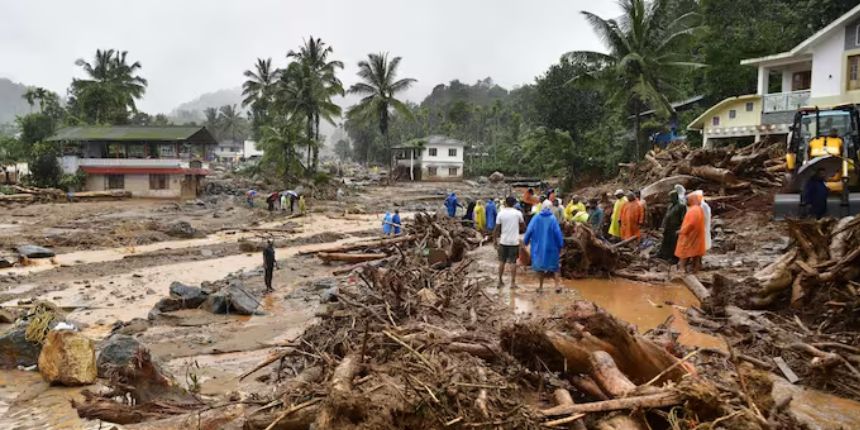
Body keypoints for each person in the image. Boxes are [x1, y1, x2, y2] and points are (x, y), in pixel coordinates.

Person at [524, 200, 565, 292]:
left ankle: (541, 287)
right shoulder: (552, 218)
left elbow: (529, 230)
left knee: (540, 267)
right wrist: (561, 245)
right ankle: (557, 286)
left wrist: (526, 242)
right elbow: (557, 233)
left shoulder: (536, 217)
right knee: (555, 266)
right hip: (552, 247)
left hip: (538, 247)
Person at [494, 196, 525, 288]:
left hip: (503, 241)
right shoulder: (518, 213)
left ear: (505, 203)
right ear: (514, 203)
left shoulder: (501, 213)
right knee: (513, 262)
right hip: (514, 241)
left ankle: (500, 281)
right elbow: (523, 226)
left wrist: (494, 240)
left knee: (501, 262)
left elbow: (496, 229)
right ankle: (512, 283)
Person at [676, 193, 706, 273]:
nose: (686, 201)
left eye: (688, 200)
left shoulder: (693, 210)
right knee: (696, 252)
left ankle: (682, 268)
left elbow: (691, 223)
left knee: (684, 252)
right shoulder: (699, 209)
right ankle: (696, 268)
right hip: (697, 235)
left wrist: (682, 231)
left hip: (690, 235)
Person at [658, 190, 686, 263]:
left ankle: (674, 258)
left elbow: (683, 219)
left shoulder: (681, 206)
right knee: (666, 241)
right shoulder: (670, 206)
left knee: (674, 244)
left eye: (671, 197)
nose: (670, 199)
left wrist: (680, 228)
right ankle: (663, 255)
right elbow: (666, 217)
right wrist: (662, 226)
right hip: (668, 227)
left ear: (675, 197)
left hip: (675, 227)